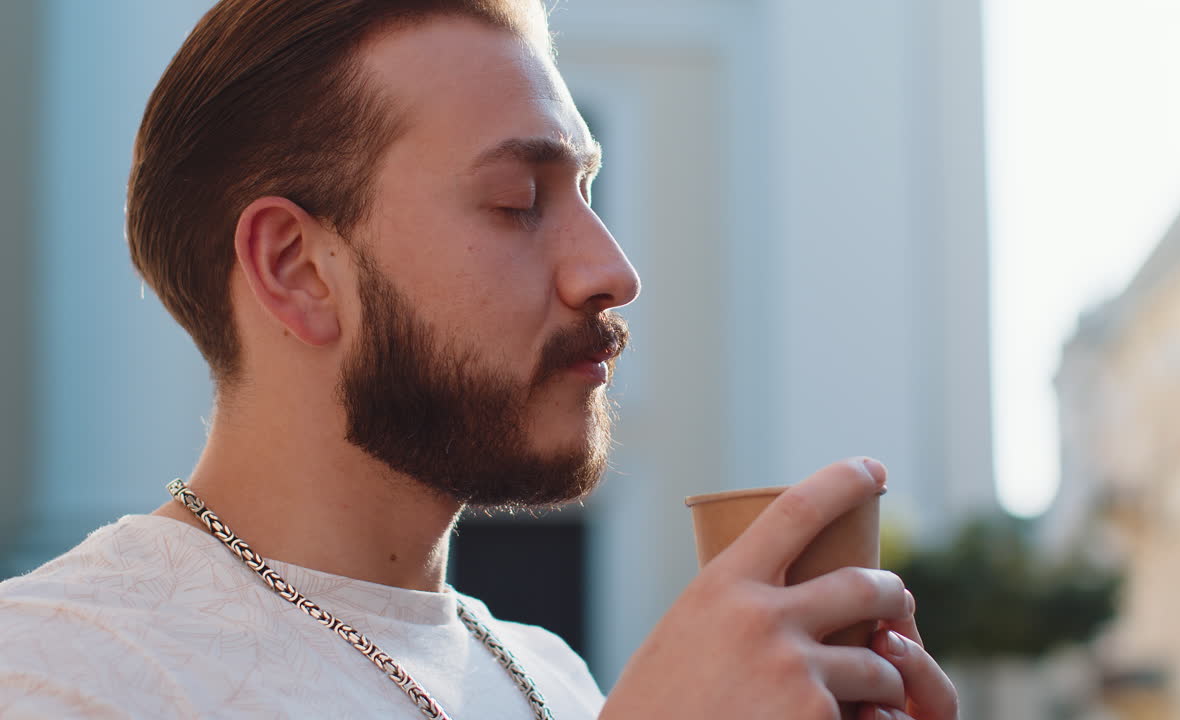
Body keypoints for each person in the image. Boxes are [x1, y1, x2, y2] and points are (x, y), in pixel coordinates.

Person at [0, 1, 959, 718]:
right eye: (516, 202)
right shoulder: (57, 669)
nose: (613, 270)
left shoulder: (552, 678)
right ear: (296, 268)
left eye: (589, 190)